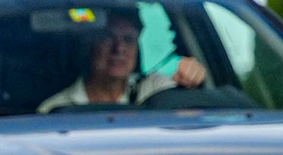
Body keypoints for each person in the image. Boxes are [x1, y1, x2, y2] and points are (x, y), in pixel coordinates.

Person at [36, 8, 208, 111]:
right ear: (90, 45)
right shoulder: (55, 109)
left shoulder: (155, 89)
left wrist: (193, 76)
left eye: (129, 40)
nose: (119, 49)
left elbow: (190, 116)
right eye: (108, 38)